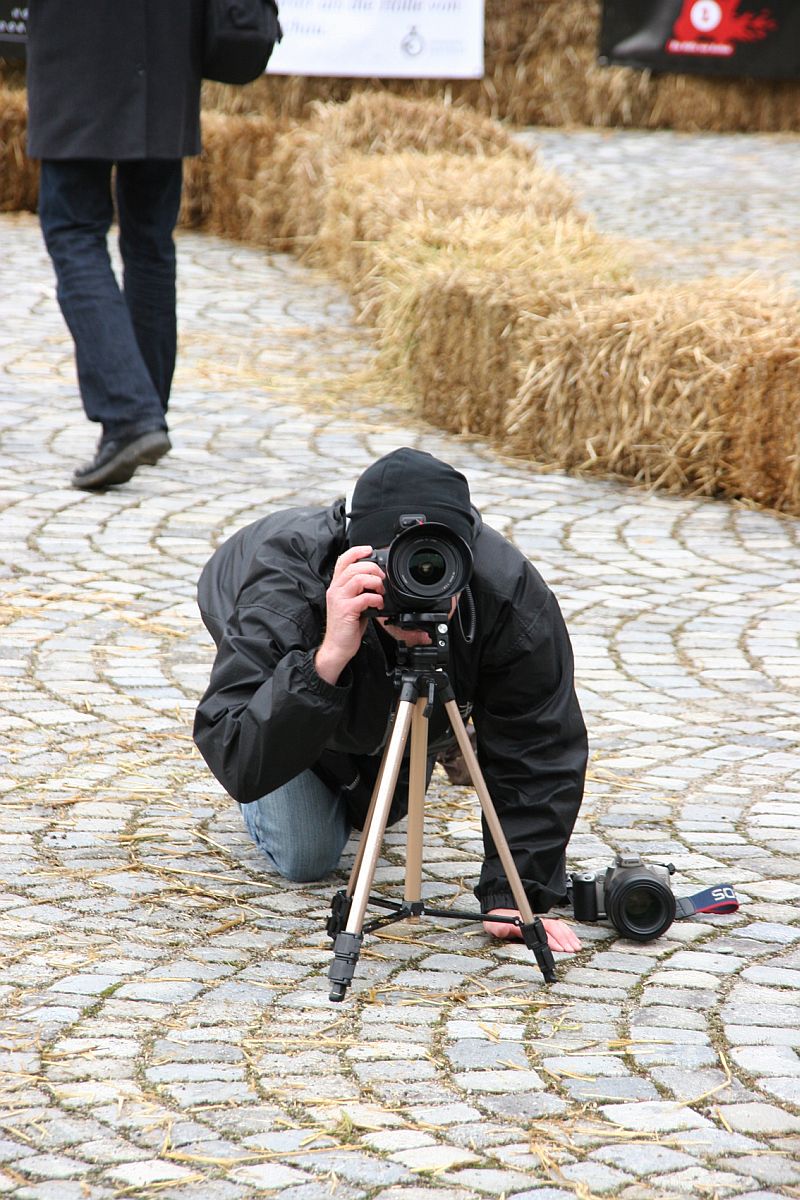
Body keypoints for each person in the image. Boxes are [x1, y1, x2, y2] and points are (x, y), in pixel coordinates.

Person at [193, 448, 588, 952]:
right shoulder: (289, 583)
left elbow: (541, 740)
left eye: (434, 571)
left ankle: (442, 730)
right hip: (271, 626)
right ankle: (408, 730)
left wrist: (516, 891)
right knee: (307, 853)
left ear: (463, 559)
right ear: (356, 560)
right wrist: (328, 654)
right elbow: (235, 750)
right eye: (396, 571)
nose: (417, 591)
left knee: (387, 807)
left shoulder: (505, 590)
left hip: (404, 675)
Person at [25, 0, 204, 490]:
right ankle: (146, 411)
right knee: (150, 242)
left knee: (73, 232)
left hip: (79, 55)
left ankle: (132, 415)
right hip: (165, 58)